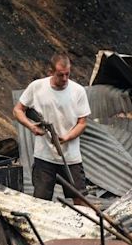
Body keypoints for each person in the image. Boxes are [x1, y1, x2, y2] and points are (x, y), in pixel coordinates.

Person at [13, 52, 91, 205]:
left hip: (70, 156)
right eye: (60, 75)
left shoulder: (78, 91)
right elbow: (18, 110)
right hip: (44, 156)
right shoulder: (37, 87)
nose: (65, 79)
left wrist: (67, 137)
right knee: (41, 201)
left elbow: (82, 122)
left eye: (67, 74)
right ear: (50, 72)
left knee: (80, 199)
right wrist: (31, 126)